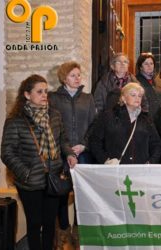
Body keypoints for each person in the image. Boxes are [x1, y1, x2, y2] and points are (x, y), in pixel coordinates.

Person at [1, 74, 77, 250]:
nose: (44, 95)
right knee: (35, 223)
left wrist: (70, 154)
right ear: (27, 95)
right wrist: (26, 173)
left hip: (53, 178)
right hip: (29, 182)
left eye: (46, 92)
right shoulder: (16, 121)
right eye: (39, 92)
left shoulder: (54, 115)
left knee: (50, 222)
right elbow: (7, 153)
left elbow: (63, 140)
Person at [49, 61, 96, 249]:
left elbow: (94, 124)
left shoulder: (88, 98)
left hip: (83, 152)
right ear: (64, 78)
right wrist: (67, 148)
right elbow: (52, 125)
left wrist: (83, 145)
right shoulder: (53, 98)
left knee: (81, 192)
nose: (77, 78)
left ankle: (79, 230)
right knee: (61, 191)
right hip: (61, 152)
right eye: (73, 75)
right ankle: (63, 231)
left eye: (79, 74)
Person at [88, 82, 161, 164]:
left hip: (140, 171)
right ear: (123, 98)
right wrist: (105, 160)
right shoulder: (108, 116)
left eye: (140, 96)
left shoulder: (146, 119)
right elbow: (94, 141)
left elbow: (157, 144)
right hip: (115, 170)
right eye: (133, 95)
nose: (137, 98)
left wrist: (151, 162)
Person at [135, 52, 161, 138]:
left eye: (151, 63)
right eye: (146, 63)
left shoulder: (160, 81)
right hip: (143, 125)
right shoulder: (135, 81)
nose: (149, 66)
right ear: (140, 66)